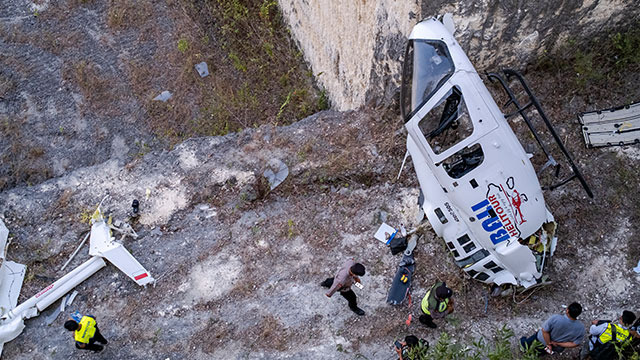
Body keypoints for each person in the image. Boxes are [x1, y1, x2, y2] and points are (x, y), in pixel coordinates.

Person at [520, 302, 585, 355]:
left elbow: (544, 331)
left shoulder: (556, 318)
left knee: (526, 343)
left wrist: (549, 344)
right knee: (540, 352)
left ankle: (523, 347)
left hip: (541, 339)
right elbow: (575, 344)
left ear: (567, 310)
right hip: (555, 347)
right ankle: (534, 355)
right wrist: (558, 343)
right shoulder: (581, 328)